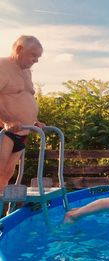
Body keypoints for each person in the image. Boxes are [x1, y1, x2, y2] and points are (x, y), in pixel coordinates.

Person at [0, 35, 45, 193]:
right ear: (19, 49)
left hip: (23, 131)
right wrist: (7, 119)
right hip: (5, 130)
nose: (36, 61)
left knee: (6, 174)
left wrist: (34, 120)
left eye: (38, 57)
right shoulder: (2, 66)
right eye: (34, 55)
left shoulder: (26, 72)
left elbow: (24, 98)